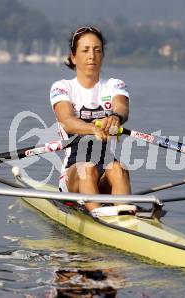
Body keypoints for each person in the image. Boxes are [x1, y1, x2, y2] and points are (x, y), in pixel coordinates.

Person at [49, 26, 131, 213]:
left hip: (106, 173)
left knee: (119, 168)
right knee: (87, 168)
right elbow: (67, 120)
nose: (92, 55)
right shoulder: (62, 87)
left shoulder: (114, 85)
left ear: (102, 55)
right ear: (73, 57)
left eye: (97, 50)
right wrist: (92, 129)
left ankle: (127, 219)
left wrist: (116, 117)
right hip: (74, 174)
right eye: (85, 50)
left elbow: (122, 107)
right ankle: (100, 219)